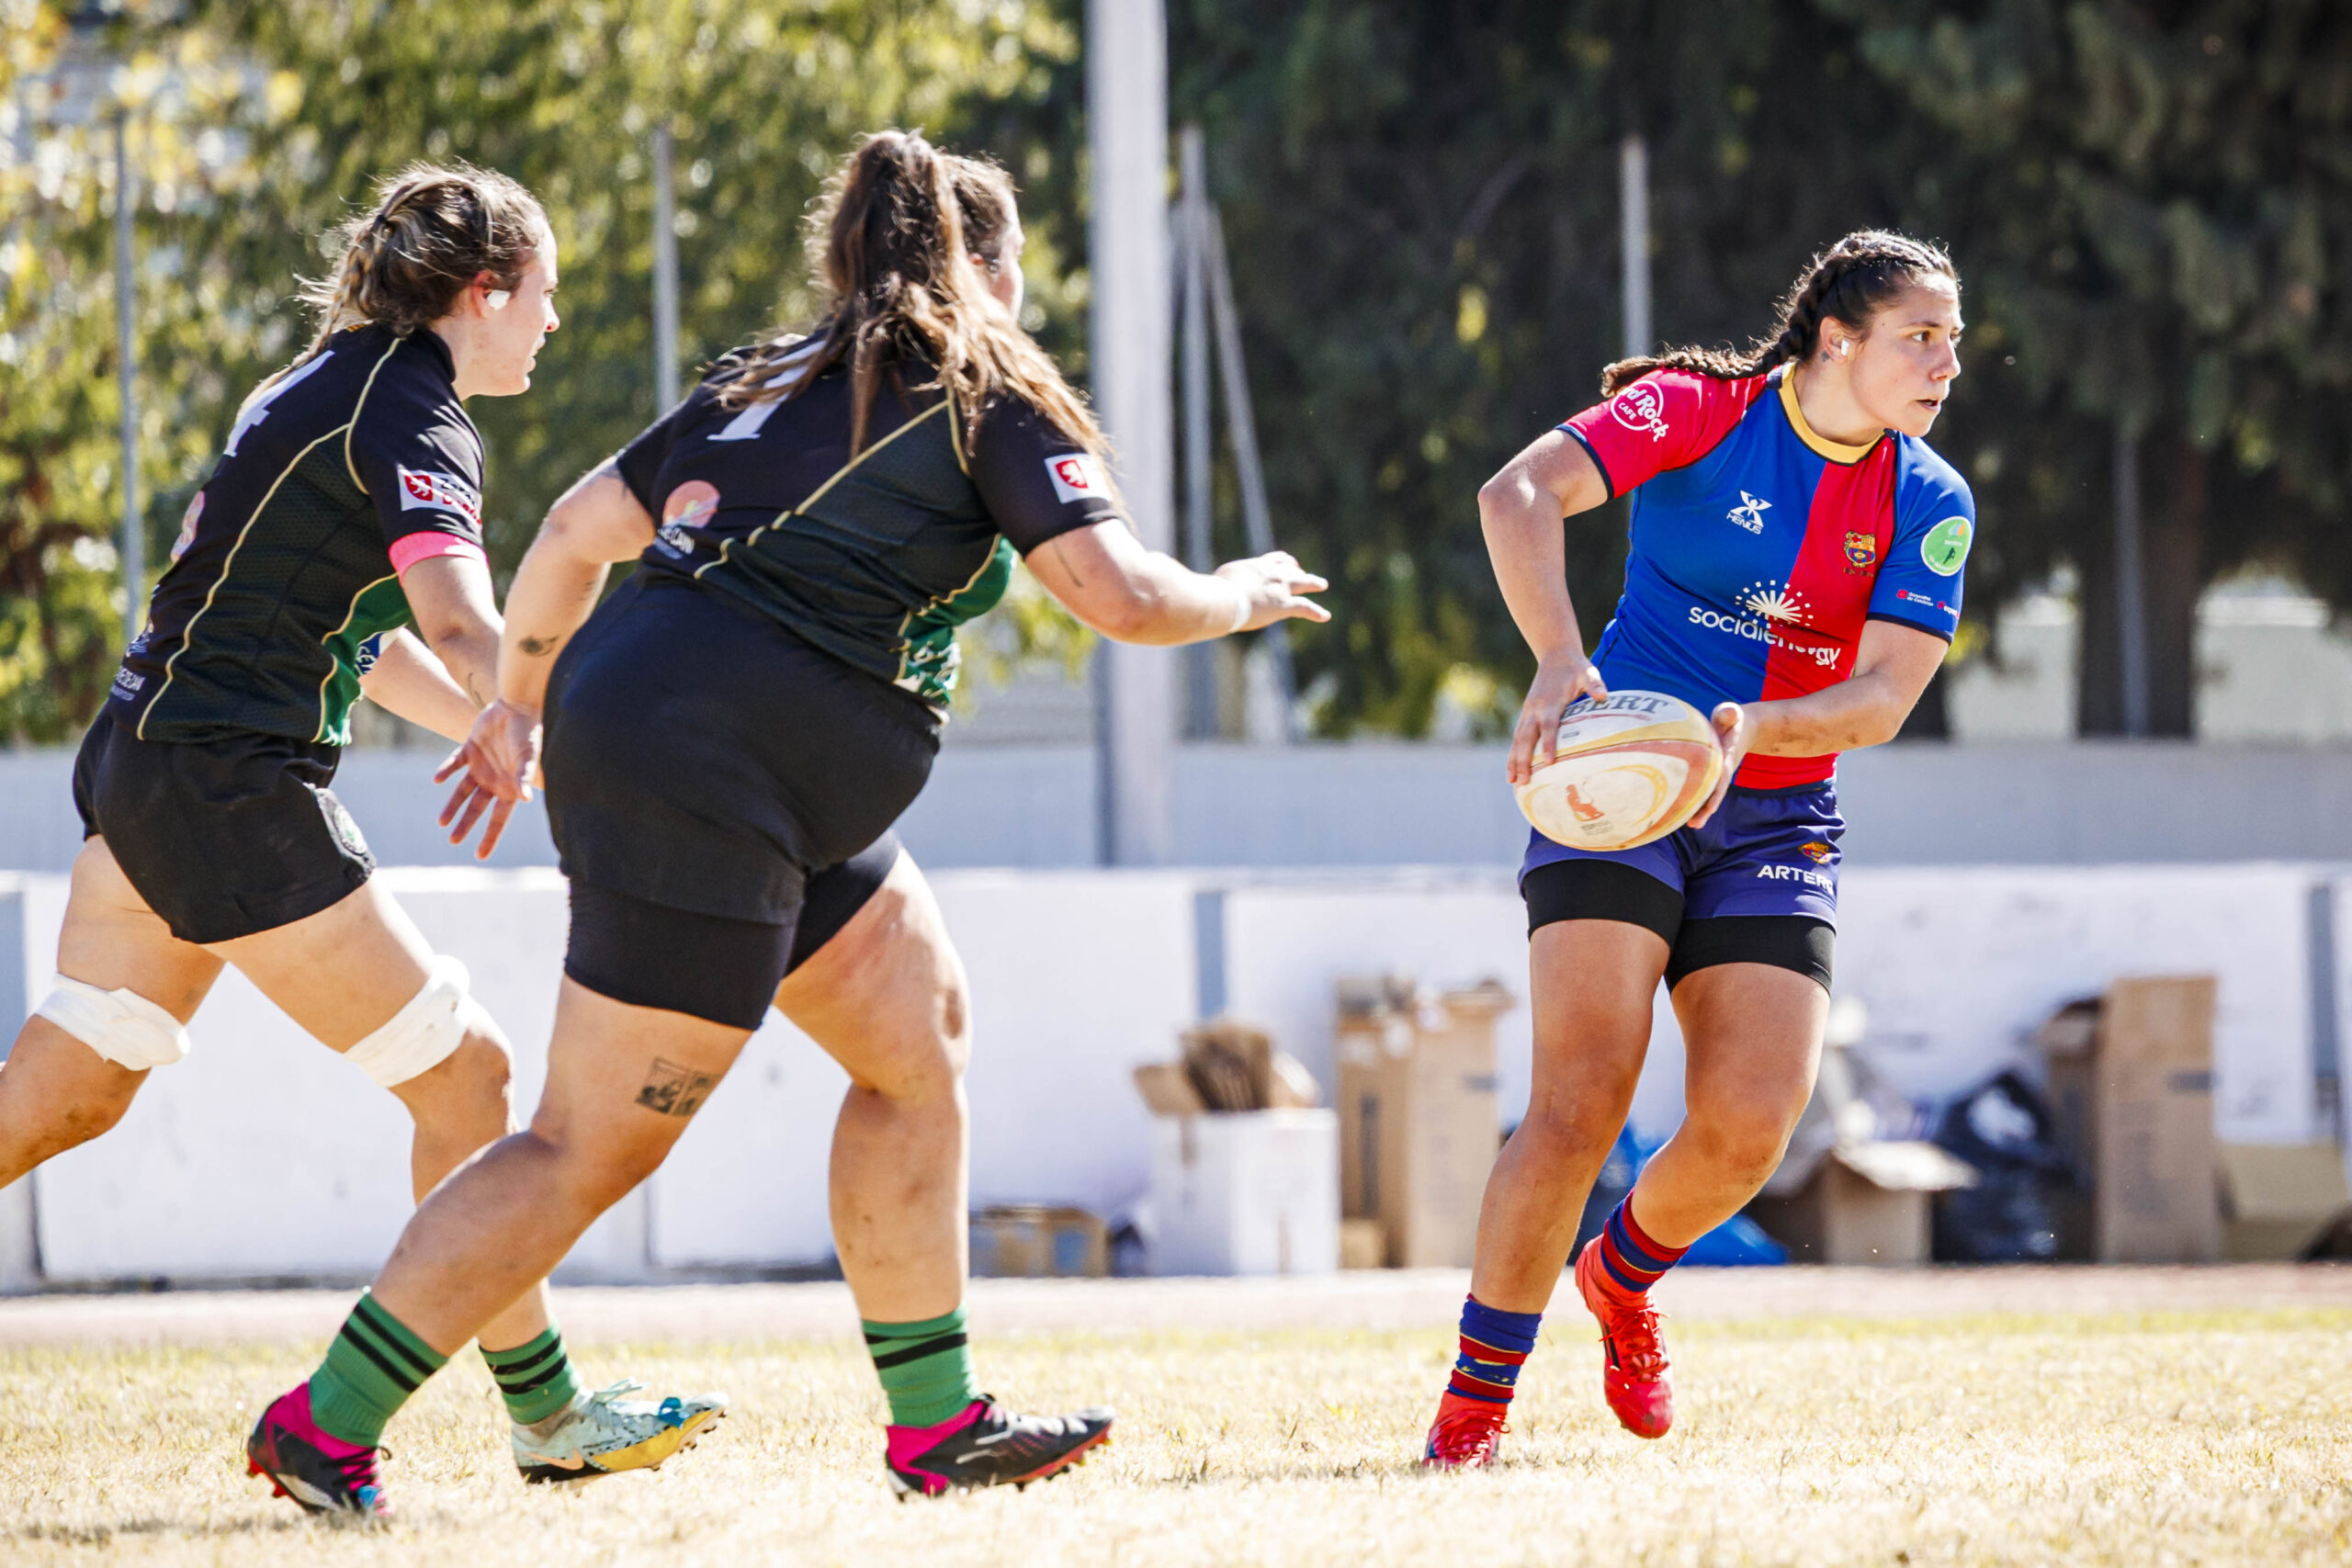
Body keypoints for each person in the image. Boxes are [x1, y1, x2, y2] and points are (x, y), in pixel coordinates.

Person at [249, 130, 1330, 1510]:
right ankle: (327, 1424)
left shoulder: (765, 377)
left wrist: (521, 702)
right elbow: (1122, 600)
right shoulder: (982, 379)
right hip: (716, 776)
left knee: (915, 1037)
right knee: (590, 1143)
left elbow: (577, 529)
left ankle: (937, 1424)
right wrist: (1240, 590)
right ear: (986, 268)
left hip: (725, 762)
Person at [0, 164, 721, 1517]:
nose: (552, 324)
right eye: (546, 296)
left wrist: (479, 727)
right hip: (228, 792)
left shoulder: (325, 380)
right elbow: (456, 616)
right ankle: (540, 1415)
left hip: (152, 764)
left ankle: (549, 1413)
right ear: (483, 291)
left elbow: (367, 633)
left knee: (76, 1090)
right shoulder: (414, 410)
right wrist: (514, 700)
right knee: (471, 1081)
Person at [1422, 231, 1971, 1465]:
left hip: (1779, 814)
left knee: (1750, 1124)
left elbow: (1883, 699)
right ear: (1838, 340)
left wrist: (1754, 730)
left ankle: (1621, 1280)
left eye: (1952, 339)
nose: (1945, 361)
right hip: (1619, 793)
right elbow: (1514, 495)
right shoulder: (1694, 410)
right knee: (1576, 1104)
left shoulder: (1930, 500)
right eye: (1918, 335)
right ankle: (1473, 1413)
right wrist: (1562, 661)